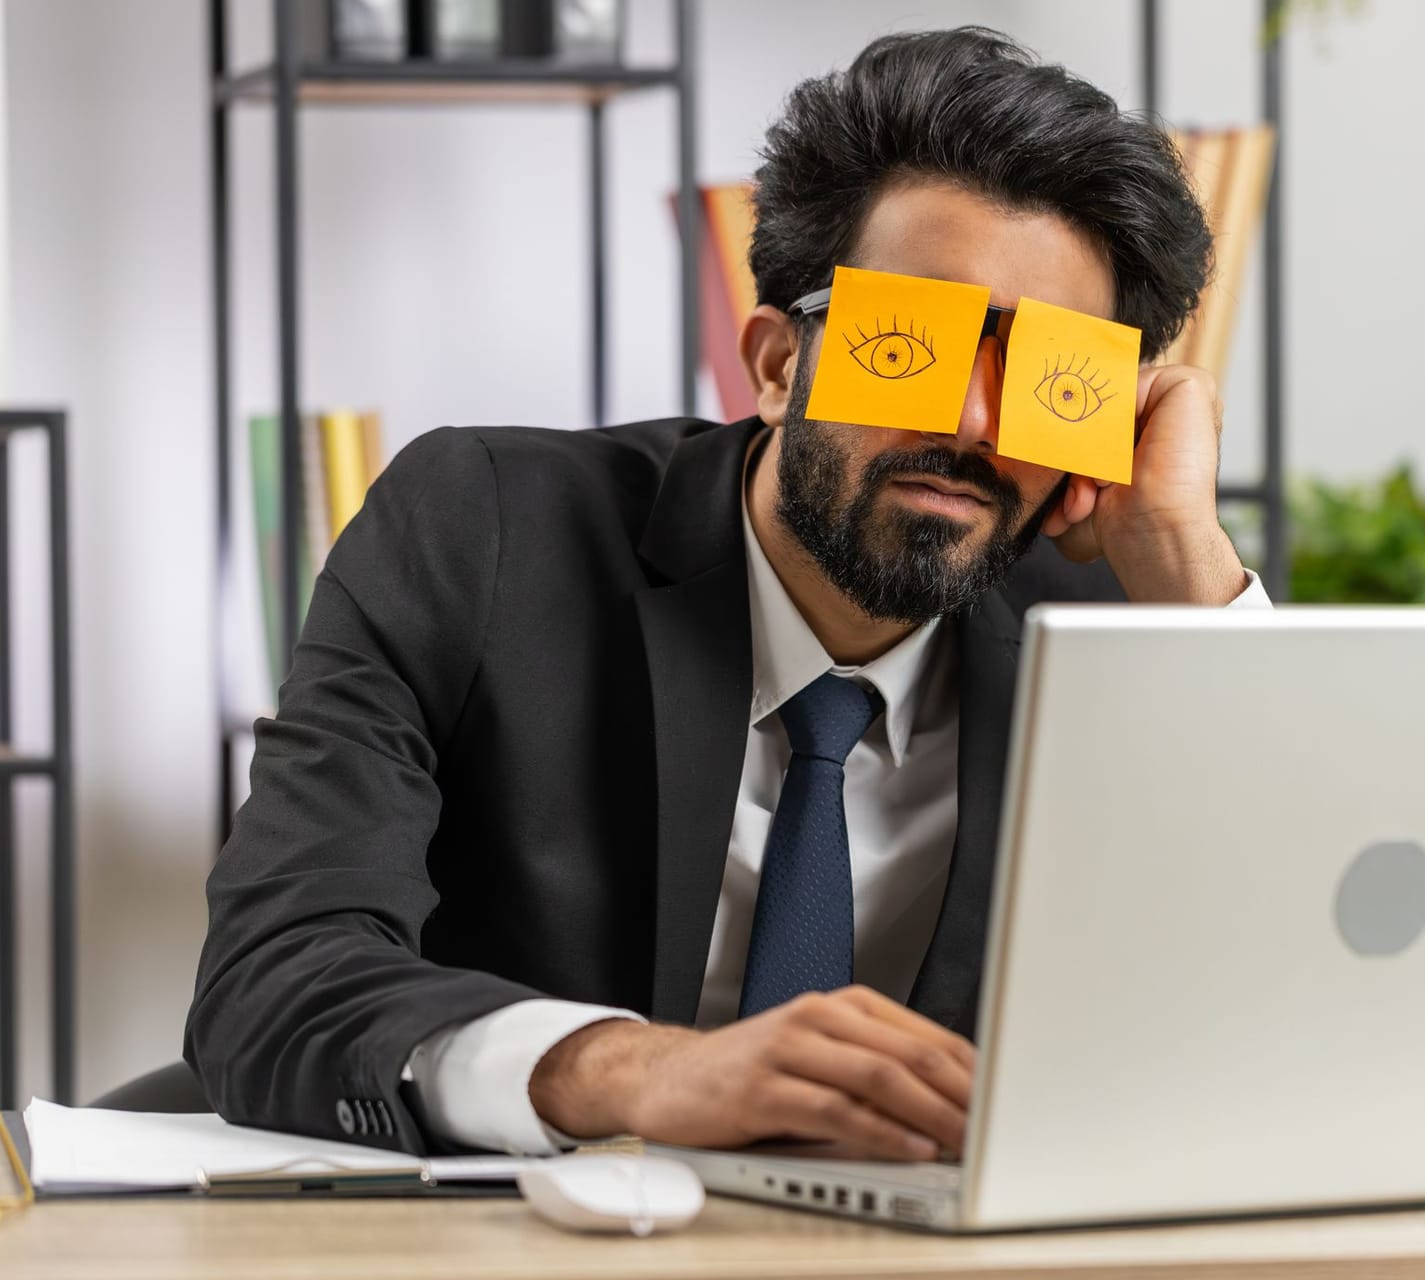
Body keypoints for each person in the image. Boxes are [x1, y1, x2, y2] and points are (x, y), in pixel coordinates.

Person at [186, 26, 1267, 1161]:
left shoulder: (1124, 631)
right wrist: (633, 1068)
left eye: (1053, 376)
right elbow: (273, 976)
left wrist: (1187, 562)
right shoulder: (484, 532)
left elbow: (1305, 992)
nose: (975, 425)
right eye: (914, 347)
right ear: (773, 362)